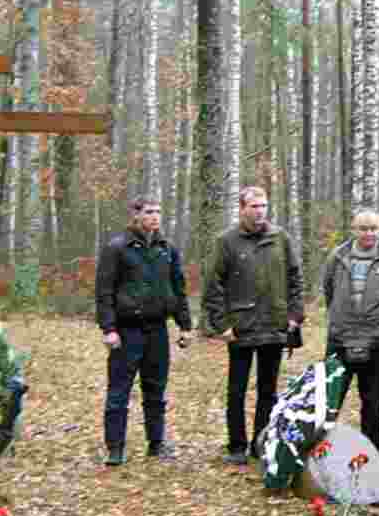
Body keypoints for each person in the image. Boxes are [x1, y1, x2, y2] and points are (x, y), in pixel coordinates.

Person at [203, 187, 304, 465]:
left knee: (268, 390)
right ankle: (236, 446)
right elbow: (213, 285)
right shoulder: (226, 241)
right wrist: (222, 324)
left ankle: (261, 442)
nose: (260, 211)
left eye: (264, 205)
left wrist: (295, 315)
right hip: (241, 327)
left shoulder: (280, 238)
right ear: (242, 208)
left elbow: (295, 278)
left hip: (274, 325)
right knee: (236, 389)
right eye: (254, 206)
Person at [95, 197, 192, 466]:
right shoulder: (117, 248)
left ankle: (156, 442)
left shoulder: (167, 249)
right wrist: (109, 328)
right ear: (135, 215)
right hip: (126, 331)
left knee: (156, 390)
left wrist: (184, 325)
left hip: (158, 329)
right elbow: (104, 292)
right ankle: (115, 447)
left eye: (158, 212)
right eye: (149, 212)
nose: (155, 217)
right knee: (119, 392)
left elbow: (178, 288)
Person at [322, 208, 379, 451]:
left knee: (372, 403)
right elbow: (329, 291)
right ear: (354, 229)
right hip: (340, 340)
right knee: (329, 400)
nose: (368, 233)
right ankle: (319, 452)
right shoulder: (337, 256)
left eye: (373, 228)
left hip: (376, 342)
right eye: (363, 228)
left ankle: (370, 453)